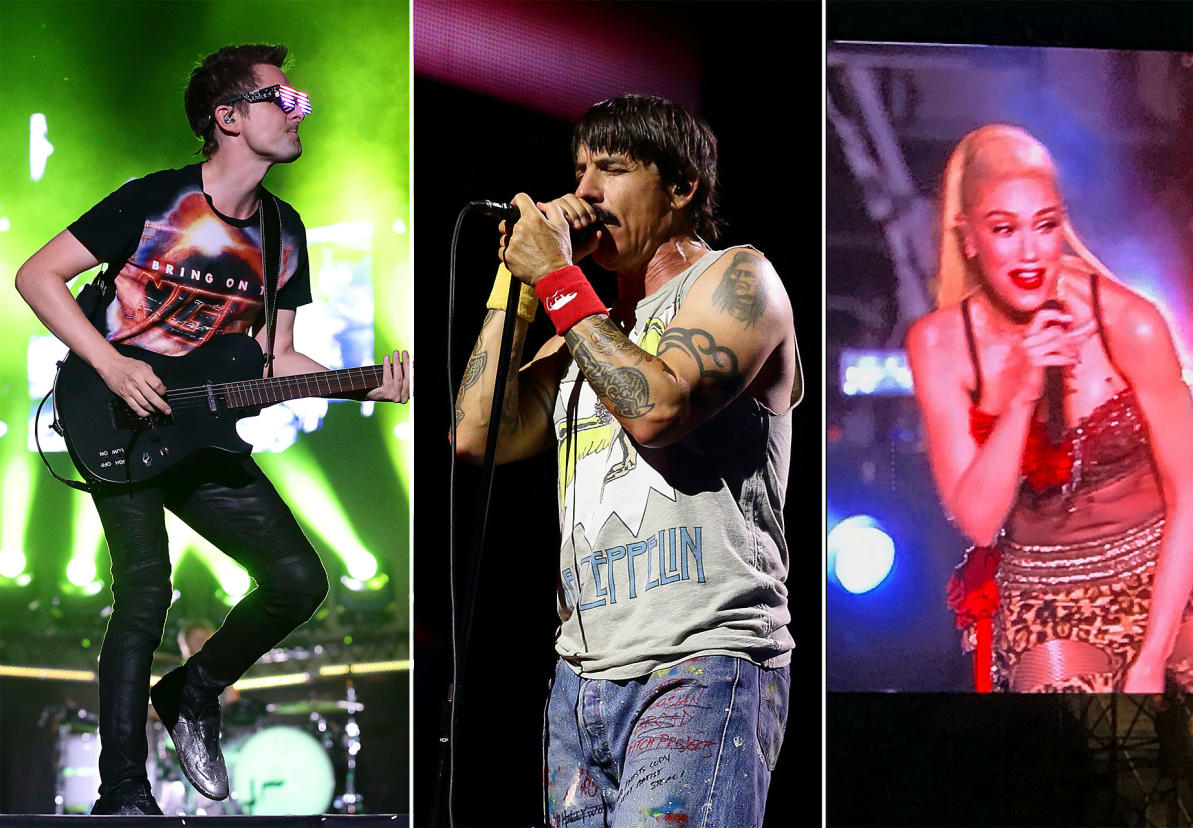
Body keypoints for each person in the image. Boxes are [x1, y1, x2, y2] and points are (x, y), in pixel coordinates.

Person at [15, 44, 409, 815]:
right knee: (144, 594)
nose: (299, 109)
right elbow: (37, 276)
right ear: (228, 118)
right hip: (110, 415)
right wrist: (113, 364)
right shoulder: (155, 200)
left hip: (201, 431)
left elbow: (275, 357)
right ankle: (122, 794)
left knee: (299, 580)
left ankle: (192, 691)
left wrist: (368, 382)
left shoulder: (284, 231)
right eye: (279, 97)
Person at [453, 94, 799, 827]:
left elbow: (658, 408)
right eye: (579, 171)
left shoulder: (740, 281)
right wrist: (517, 286)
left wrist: (556, 280)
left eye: (611, 169)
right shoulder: (586, 329)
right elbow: (477, 434)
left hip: (702, 662)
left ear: (681, 188)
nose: (584, 192)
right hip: (581, 681)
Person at [906, 124, 1193, 693]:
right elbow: (980, 522)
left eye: (1044, 226)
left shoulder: (1129, 321)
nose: (1030, 251)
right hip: (1047, 588)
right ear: (968, 237)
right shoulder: (940, 345)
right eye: (1004, 230)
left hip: (1169, 567)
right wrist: (1024, 391)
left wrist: (1151, 657)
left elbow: (1189, 495)